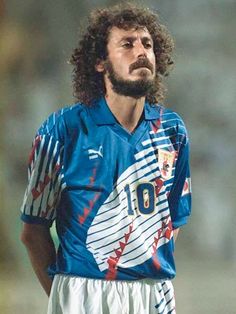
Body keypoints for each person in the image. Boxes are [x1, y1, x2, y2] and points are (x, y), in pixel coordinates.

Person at [20, 3, 191, 314]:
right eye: (127, 43)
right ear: (100, 62)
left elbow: (173, 219)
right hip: (83, 291)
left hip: (154, 294)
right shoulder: (62, 129)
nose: (141, 51)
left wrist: (142, 268)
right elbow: (33, 231)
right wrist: (65, 295)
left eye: (147, 44)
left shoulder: (172, 129)